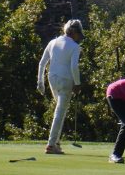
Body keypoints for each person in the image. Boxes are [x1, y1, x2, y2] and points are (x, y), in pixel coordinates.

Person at [36, 19, 84, 155]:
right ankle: (51, 145)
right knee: (60, 112)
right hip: (66, 80)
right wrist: (78, 83)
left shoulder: (52, 42)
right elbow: (74, 66)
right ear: (73, 32)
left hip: (52, 79)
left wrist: (40, 82)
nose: (78, 37)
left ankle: (55, 142)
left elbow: (42, 63)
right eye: (78, 34)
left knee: (59, 111)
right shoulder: (75, 47)